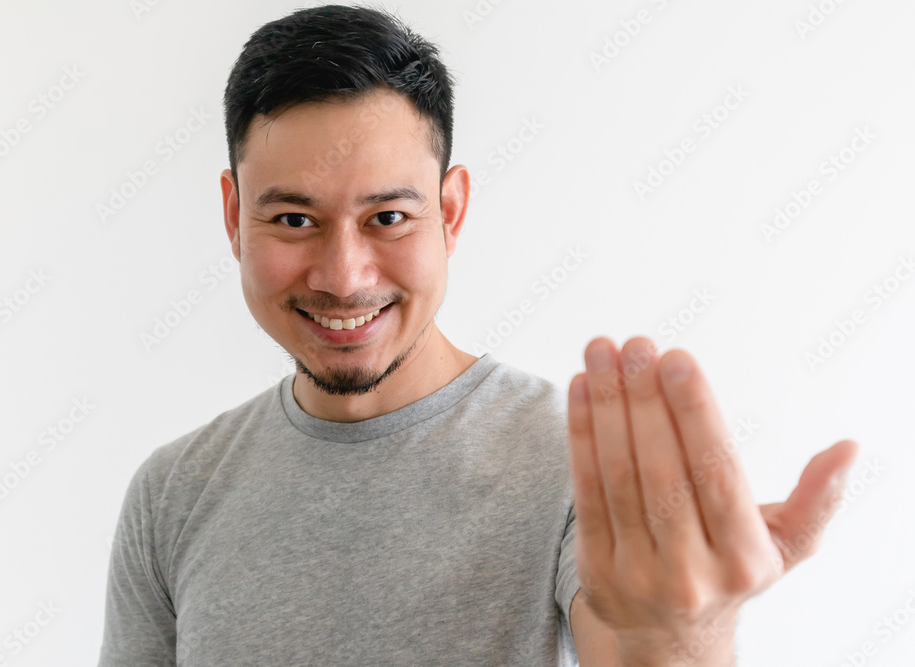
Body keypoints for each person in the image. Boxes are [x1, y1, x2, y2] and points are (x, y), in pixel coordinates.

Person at [97, 4, 859, 665]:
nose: (344, 275)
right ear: (235, 217)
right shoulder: (172, 493)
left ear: (451, 212)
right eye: (295, 219)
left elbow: (635, 642)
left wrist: (684, 636)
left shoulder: (574, 466)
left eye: (388, 217)